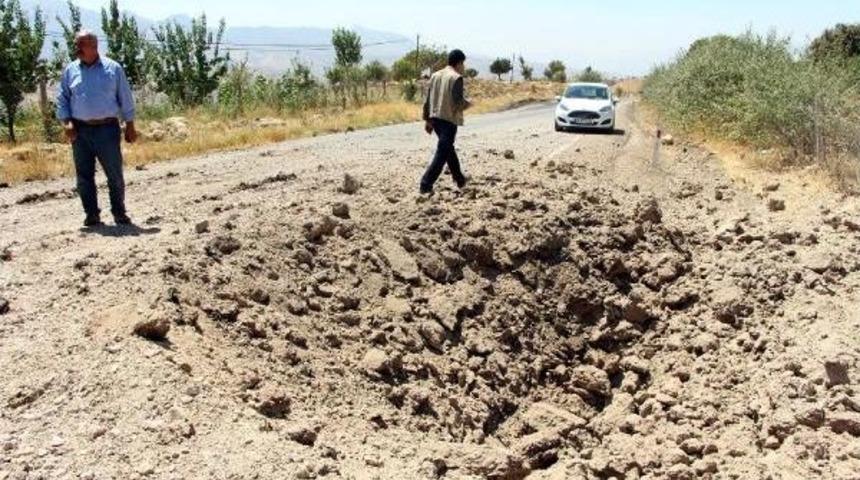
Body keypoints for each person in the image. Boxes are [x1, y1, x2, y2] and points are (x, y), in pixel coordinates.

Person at [57, 30, 137, 227]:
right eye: (76, 45)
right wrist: (67, 122)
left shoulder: (113, 69)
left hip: (107, 130)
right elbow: (63, 99)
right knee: (84, 176)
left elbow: (125, 98)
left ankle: (119, 213)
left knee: (114, 174)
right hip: (80, 131)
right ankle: (92, 215)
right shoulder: (70, 71)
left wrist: (130, 125)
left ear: (94, 47)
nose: (76, 49)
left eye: (80, 45)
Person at [420, 49, 472, 194]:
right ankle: (426, 183)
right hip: (448, 121)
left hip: (435, 119)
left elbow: (428, 100)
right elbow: (458, 103)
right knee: (442, 153)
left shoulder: (435, 75)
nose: (464, 67)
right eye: (463, 64)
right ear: (459, 63)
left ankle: (460, 180)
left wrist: (427, 119)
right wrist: (469, 103)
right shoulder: (456, 78)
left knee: (448, 150)